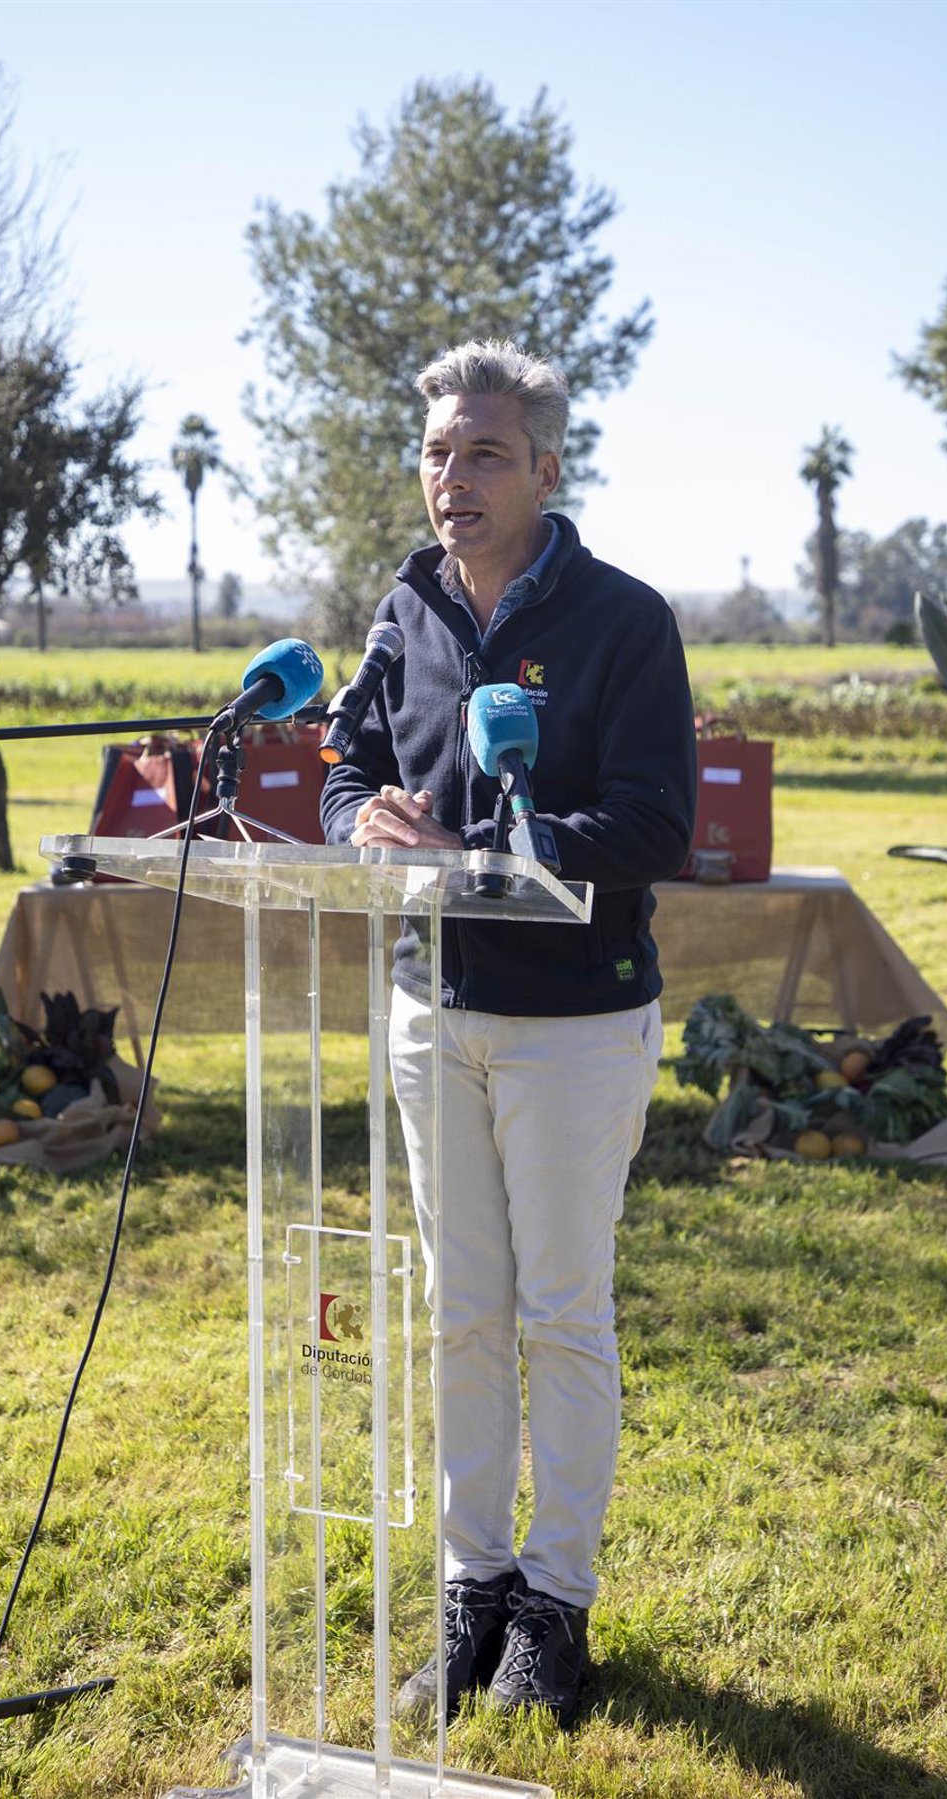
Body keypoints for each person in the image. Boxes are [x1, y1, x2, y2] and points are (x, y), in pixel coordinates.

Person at [320, 340, 696, 1728]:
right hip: (434, 1008)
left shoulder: (625, 619)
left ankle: (557, 1605)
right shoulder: (405, 607)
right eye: (437, 451)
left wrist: (484, 853)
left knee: (560, 1314)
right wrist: (361, 820)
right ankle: (473, 1588)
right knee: (460, 1309)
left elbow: (656, 822)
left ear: (544, 468)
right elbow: (352, 763)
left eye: (482, 452)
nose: (453, 477)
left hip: (574, 1022)